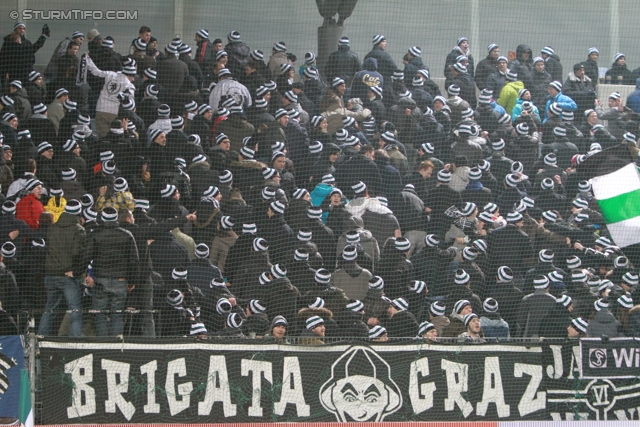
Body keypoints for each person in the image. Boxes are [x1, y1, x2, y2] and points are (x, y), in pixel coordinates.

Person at [85, 207, 140, 336]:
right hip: (120, 281)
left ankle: (103, 345)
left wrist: (79, 273)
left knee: (100, 315)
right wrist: (132, 281)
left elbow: (86, 256)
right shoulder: (127, 235)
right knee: (117, 315)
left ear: (102, 218)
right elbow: (134, 261)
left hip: (100, 280)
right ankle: (115, 346)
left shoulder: (95, 235)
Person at [37, 200, 86, 337]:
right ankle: (76, 342)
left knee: (49, 309)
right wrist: (76, 271)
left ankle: (40, 340)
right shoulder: (78, 230)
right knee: (74, 309)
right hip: (67, 276)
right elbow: (77, 253)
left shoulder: (52, 228)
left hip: (50, 275)